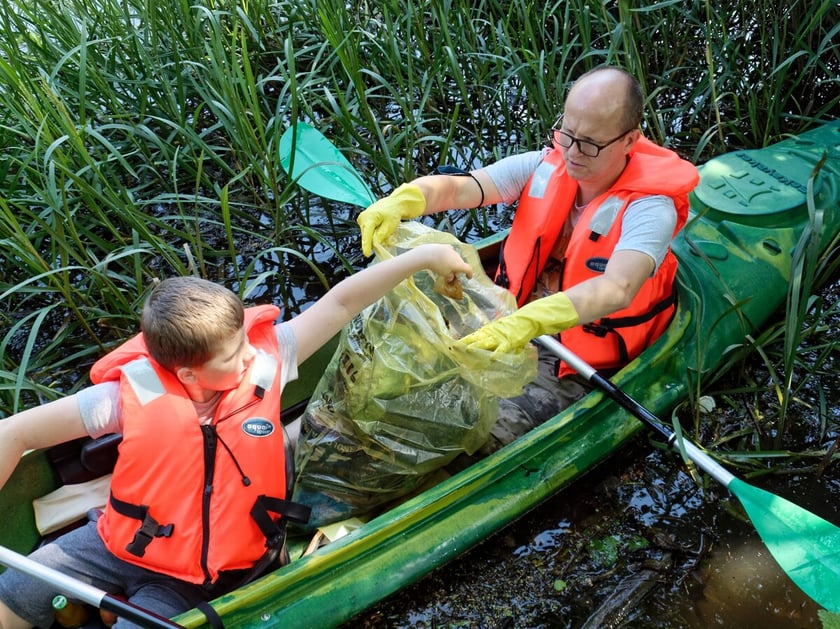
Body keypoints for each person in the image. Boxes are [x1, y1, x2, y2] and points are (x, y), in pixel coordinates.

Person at [0, 244, 472, 629]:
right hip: (116, 543)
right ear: (186, 372)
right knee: (15, 593)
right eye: (232, 355)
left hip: (196, 578)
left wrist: (426, 255)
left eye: (245, 340)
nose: (250, 356)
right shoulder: (125, 397)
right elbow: (15, 431)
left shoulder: (268, 358)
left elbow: (343, 302)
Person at [357, 65, 700, 451]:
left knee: (475, 431)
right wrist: (404, 199)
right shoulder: (544, 165)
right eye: (567, 133)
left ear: (629, 140)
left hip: (571, 357)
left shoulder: (650, 209)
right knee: (396, 368)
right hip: (510, 314)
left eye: (589, 143)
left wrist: (528, 323)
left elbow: (617, 288)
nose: (571, 152)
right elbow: (461, 187)